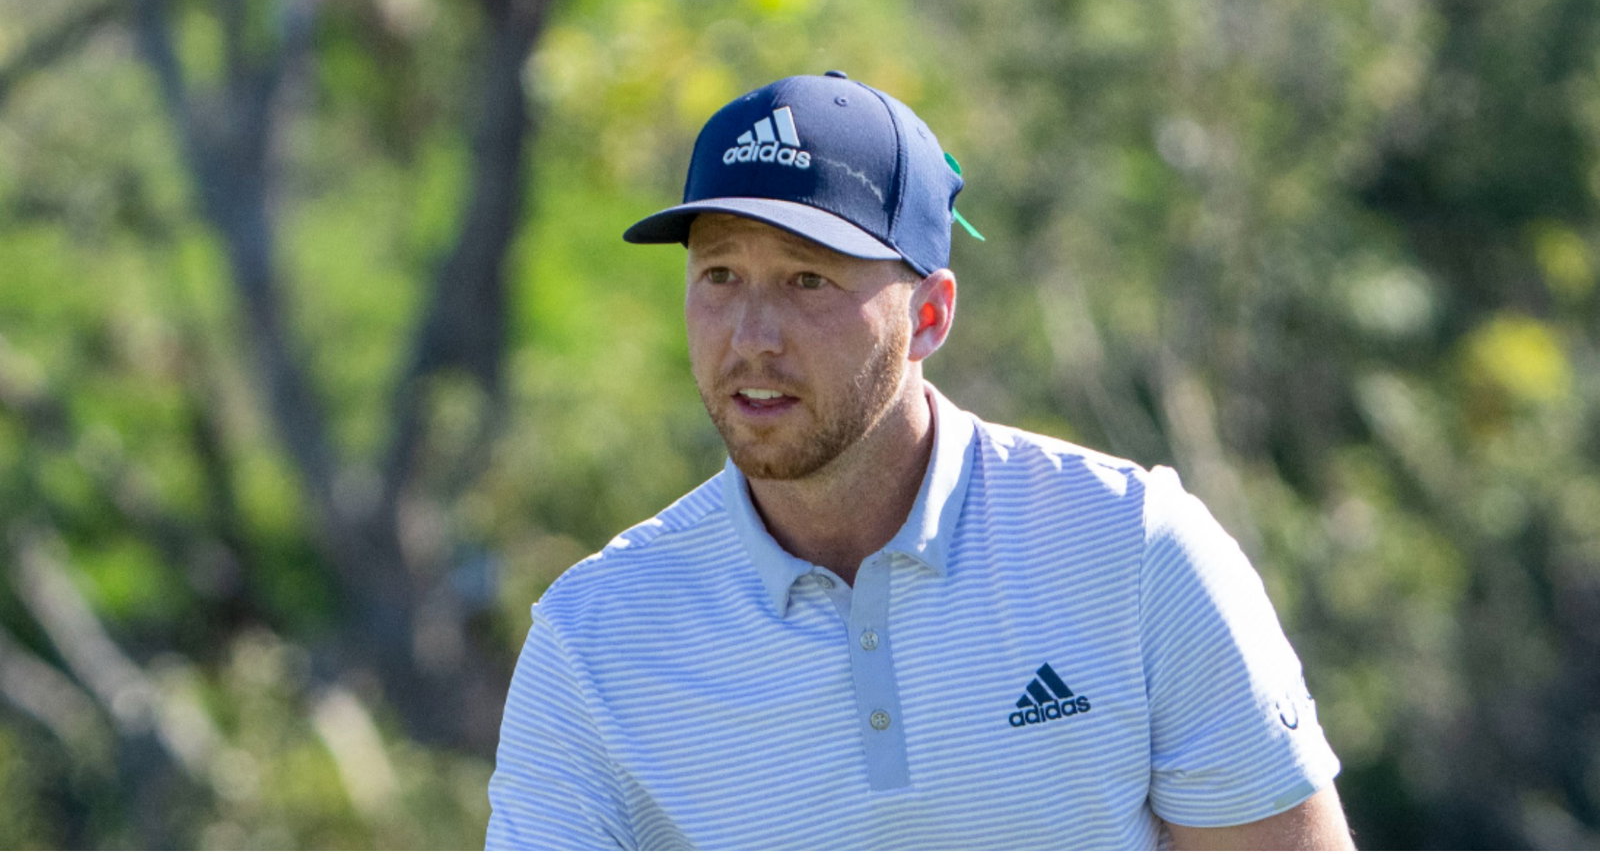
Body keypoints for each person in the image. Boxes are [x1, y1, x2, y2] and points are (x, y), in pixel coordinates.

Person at [486, 71, 1354, 850]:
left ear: (930, 316)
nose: (751, 338)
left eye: (808, 281)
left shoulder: (1132, 552)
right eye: (719, 276)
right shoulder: (593, 637)